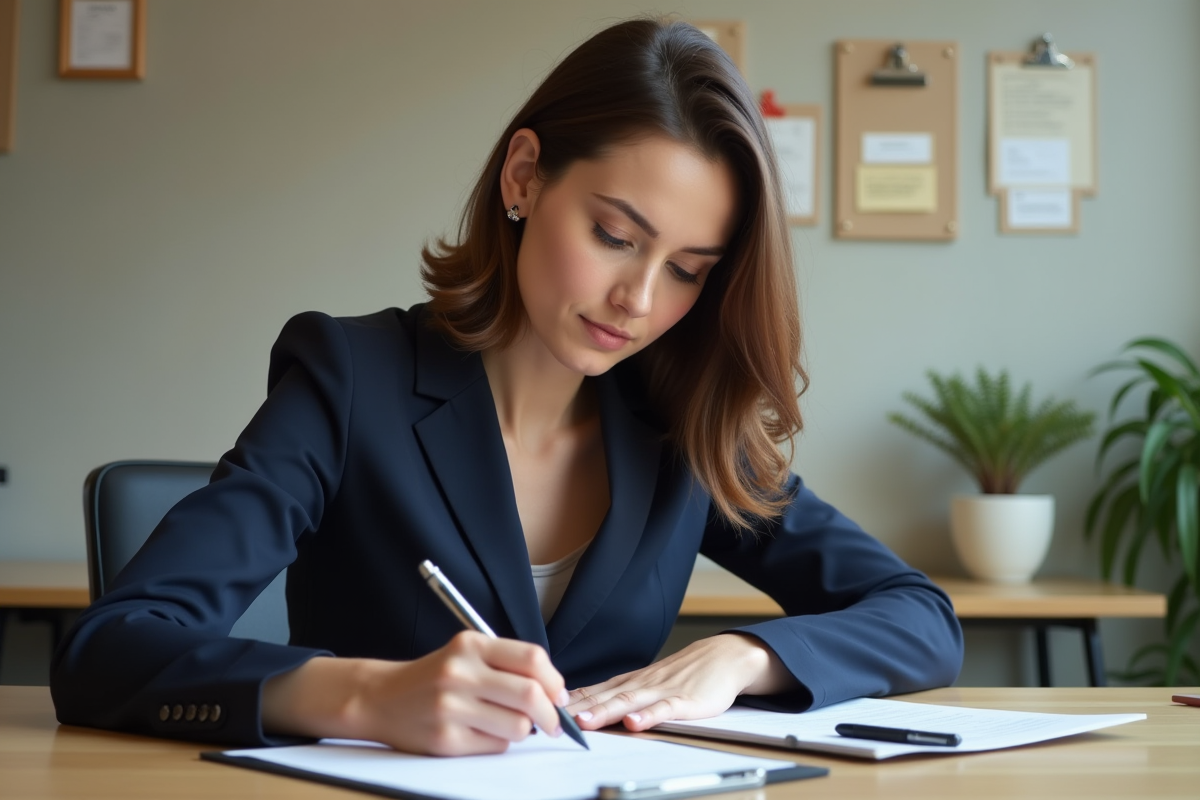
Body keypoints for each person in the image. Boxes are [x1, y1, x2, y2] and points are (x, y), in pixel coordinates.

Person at [50, 17, 962, 756]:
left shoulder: (680, 429)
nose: (637, 301)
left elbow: (920, 617)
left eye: (687, 269)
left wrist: (742, 655)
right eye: (614, 234)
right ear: (524, 176)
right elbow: (106, 651)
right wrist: (361, 694)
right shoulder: (350, 378)